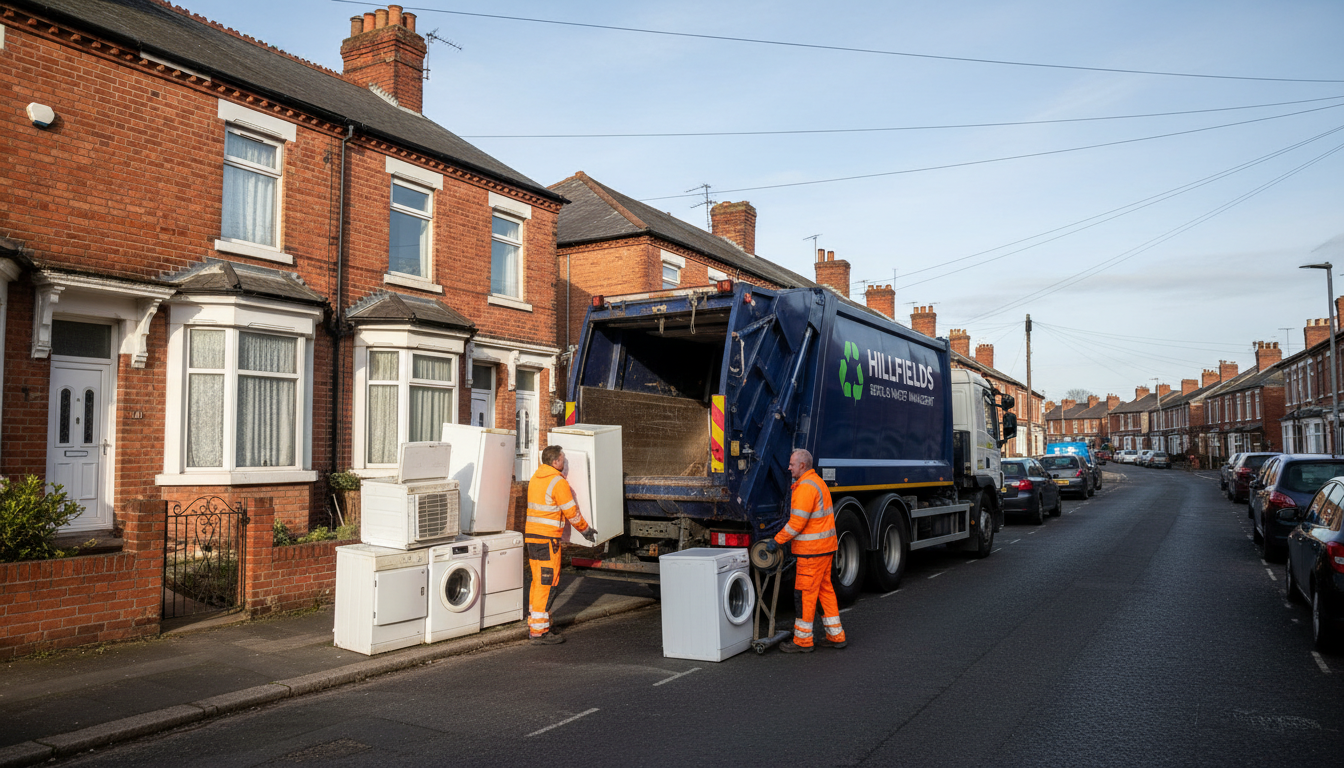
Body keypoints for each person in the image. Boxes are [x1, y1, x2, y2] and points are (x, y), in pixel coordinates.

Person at [765, 448, 847, 653]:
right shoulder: (817, 482)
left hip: (811, 552)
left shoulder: (805, 487)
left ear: (802, 465)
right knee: (824, 592)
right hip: (824, 549)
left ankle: (802, 641)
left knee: (804, 595)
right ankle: (836, 636)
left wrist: (777, 541)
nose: (788, 467)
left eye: (792, 464)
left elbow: (797, 524)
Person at [524, 444, 596, 645]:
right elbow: (571, 512)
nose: (564, 464)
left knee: (538, 582)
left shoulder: (535, 479)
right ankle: (539, 632)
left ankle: (538, 624)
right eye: (563, 460)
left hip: (532, 539)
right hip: (547, 541)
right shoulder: (558, 483)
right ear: (555, 461)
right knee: (547, 584)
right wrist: (586, 530)